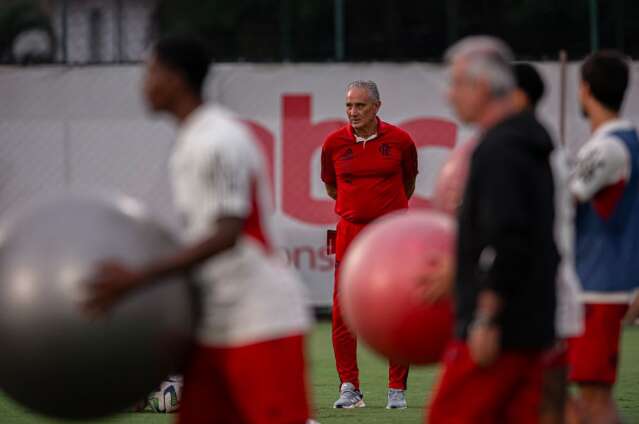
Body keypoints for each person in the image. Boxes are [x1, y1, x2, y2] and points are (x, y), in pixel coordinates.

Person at [84, 35, 314, 424]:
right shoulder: (190, 140)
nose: (143, 85)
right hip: (215, 322)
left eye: (150, 73)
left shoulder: (218, 138)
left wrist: (140, 278)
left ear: (175, 78)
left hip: (260, 318)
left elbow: (228, 232)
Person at [426, 36, 558, 424]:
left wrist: (486, 316)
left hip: (500, 330)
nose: (450, 97)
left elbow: (509, 236)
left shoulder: (500, 148)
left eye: (454, 85)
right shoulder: (527, 139)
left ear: (480, 87)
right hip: (531, 324)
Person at [320, 80, 418, 409]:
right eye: (348, 106)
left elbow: (408, 182)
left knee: (398, 309)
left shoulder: (402, 141)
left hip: (392, 235)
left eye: (360, 106)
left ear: (377, 107)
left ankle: (396, 391)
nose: (353, 112)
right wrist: (357, 209)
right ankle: (350, 388)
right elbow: (332, 188)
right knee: (342, 310)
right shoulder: (333, 144)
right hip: (350, 232)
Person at [568, 50, 639, 424]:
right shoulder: (624, 142)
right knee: (585, 397)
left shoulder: (607, 147)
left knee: (593, 398)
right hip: (599, 283)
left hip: (598, 285)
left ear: (585, 89)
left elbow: (565, 206)